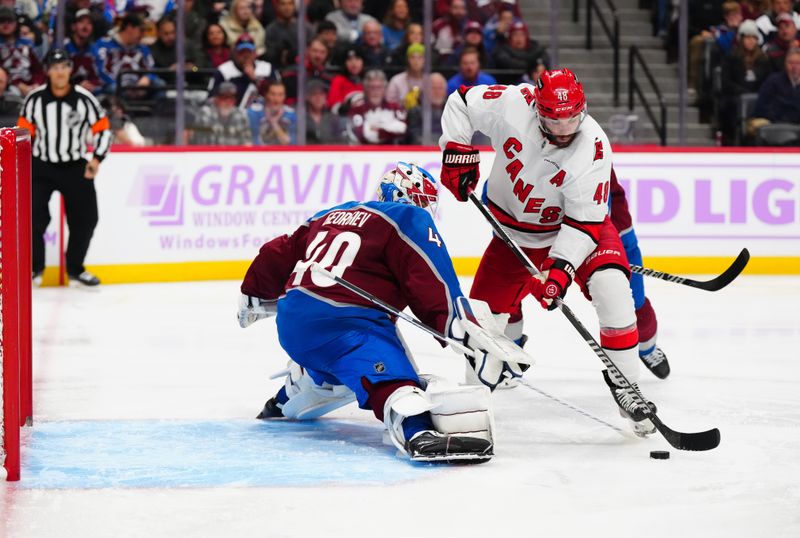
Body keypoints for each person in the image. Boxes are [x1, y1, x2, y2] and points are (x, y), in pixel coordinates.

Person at [438, 69, 658, 436]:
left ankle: (628, 388)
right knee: (481, 325)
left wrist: (559, 271)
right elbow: (460, 102)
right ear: (538, 109)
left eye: (572, 117)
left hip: (576, 229)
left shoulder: (594, 147)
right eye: (554, 120)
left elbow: (585, 224)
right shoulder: (513, 103)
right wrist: (457, 151)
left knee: (612, 288)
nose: (564, 128)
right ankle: (492, 379)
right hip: (514, 235)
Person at [238, 162, 506, 462]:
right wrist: (459, 326)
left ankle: (284, 399)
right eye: (419, 201)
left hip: (293, 322)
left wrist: (254, 293)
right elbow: (431, 278)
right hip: (346, 323)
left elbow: (280, 250)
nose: (423, 210)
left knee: (329, 367)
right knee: (392, 376)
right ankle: (417, 432)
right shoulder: (406, 217)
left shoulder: (329, 214)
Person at [18, 49, 112, 287]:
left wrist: (96, 159)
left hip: (75, 165)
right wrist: (23, 164)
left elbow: (102, 129)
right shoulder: (35, 99)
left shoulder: (84, 99)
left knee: (87, 219)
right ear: (47, 71)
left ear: (71, 69)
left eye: (64, 66)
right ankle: (34, 268)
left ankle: (75, 268)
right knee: (32, 218)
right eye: (55, 67)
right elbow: (23, 134)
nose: (60, 72)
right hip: (41, 165)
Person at [608, 169, 669, 379]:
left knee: (635, 302)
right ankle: (509, 354)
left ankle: (648, 348)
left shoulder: (593, 148)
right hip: (551, 238)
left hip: (612, 236)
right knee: (509, 290)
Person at [209, 33, 277, 108]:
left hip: (265, 113)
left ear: (255, 53)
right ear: (235, 53)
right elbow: (211, 98)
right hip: (233, 114)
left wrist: (255, 79)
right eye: (242, 52)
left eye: (249, 52)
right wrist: (244, 78)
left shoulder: (267, 68)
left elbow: (277, 93)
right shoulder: (224, 71)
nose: (246, 55)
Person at [93, 14, 156, 95]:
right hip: (113, 85)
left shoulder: (142, 47)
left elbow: (152, 67)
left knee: (159, 84)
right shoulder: (104, 44)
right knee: (113, 88)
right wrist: (118, 84)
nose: (143, 35)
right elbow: (99, 70)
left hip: (138, 85)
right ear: (129, 28)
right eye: (141, 30)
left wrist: (147, 78)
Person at [346, 68, 406, 144]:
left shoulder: (395, 108)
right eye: (372, 87)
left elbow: (404, 131)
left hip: (391, 152)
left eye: (379, 87)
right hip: (364, 152)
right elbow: (362, 135)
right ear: (365, 89)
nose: (376, 91)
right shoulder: (357, 110)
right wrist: (390, 127)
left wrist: (379, 128)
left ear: (384, 89)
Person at [0, 5, 44, 96]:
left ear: (16, 24)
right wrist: (17, 84)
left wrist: (36, 84)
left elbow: (38, 69)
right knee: (13, 93)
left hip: (30, 84)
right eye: (2, 21)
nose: (6, 24)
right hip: (7, 87)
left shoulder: (27, 42)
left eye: (10, 21)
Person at [190, 81, 252, 145]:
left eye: (232, 97)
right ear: (216, 98)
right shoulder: (205, 113)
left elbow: (247, 143)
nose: (228, 101)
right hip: (210, 154)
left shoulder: (240, 115)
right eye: (224, 97)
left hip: (234, 154)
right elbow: (202, 143)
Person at [246, 80, 296, 145]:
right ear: (266, 94)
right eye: (273, 94)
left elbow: (292, 144)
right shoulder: (253, 112)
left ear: (284, 96)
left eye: (280, 94)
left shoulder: (291, 114)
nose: (276, 99)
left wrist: (274, 123)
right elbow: (253, 140)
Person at [64, 8, 102, 93]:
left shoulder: (94, 49)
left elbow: (98, 76)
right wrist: (76, 86)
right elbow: (56, 77)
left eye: (89, 23)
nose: (85, 26)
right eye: (81, 22)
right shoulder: (63, 47)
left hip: (88, 92)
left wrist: (91, 85)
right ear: (73, 26)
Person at [304, 78, 344, 143]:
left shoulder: (333, 119)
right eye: (314, 94)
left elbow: (341, 142)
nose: (318, 98)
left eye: (321, 94)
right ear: (307, 96)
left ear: (325, 96)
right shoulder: (301, 118)